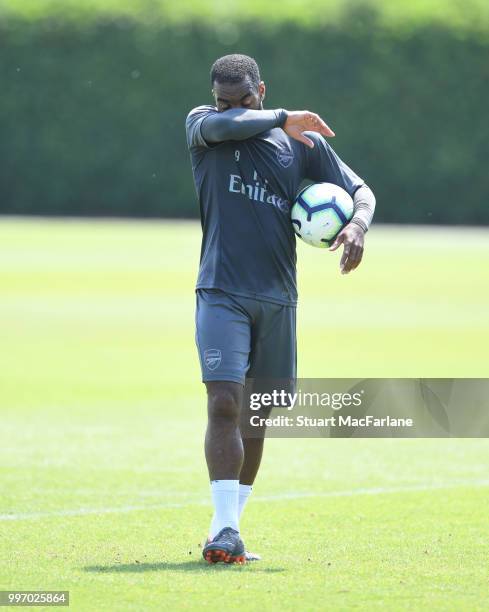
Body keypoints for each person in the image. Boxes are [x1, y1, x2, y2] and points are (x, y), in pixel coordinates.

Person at [185, 54, 375, 564]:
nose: (233, 108)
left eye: (245, 99)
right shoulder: (205, 126)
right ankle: (223, 529)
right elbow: (229, 123)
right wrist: (278, 116)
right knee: (224, 400)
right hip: (221, 291)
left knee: (259, 412)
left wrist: (356, 225)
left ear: (260, 89)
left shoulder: (298, 144)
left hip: (277, 298)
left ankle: (232, 527)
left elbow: (362, 192)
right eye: (225, 101)